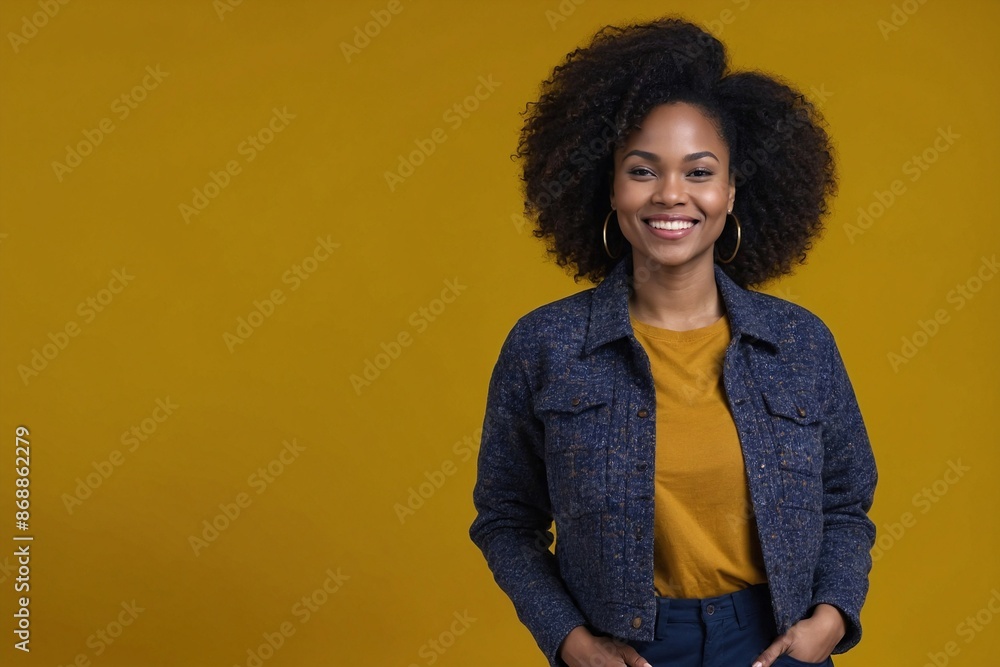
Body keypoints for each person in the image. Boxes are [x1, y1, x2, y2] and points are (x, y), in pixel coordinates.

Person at [468, 16, 877, 667]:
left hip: (776, 644)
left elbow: (846, 503)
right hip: (630, 650)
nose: (670, 194)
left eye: (698, 171)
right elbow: (505, 519)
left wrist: (830, 617)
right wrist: (569, 641)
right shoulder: (544, 344)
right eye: (642, 170)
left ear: (733, 189)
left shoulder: (801, 344)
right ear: (609, 186)